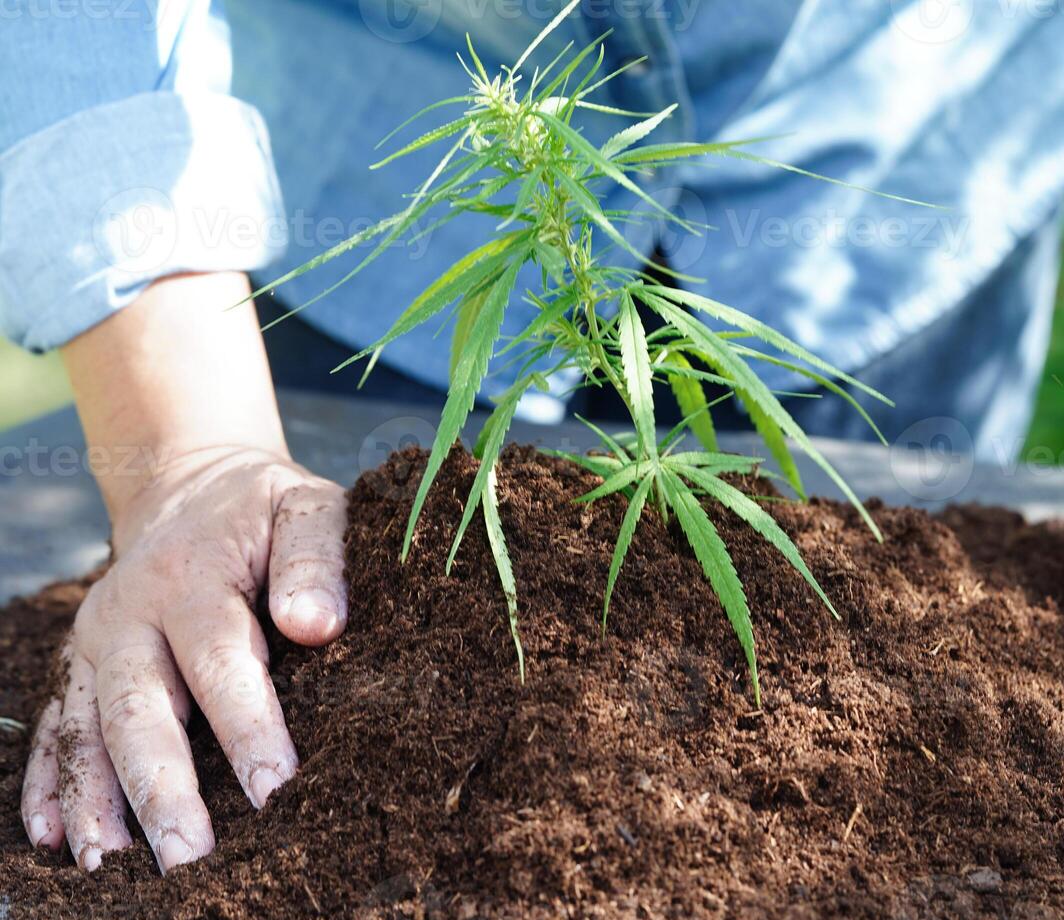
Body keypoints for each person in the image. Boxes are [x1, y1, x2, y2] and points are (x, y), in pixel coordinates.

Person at [6, 1, 1063, 874]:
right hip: (369, 193)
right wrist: (192, 459)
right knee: (308, 584)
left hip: (891, 156)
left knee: (849, 600)